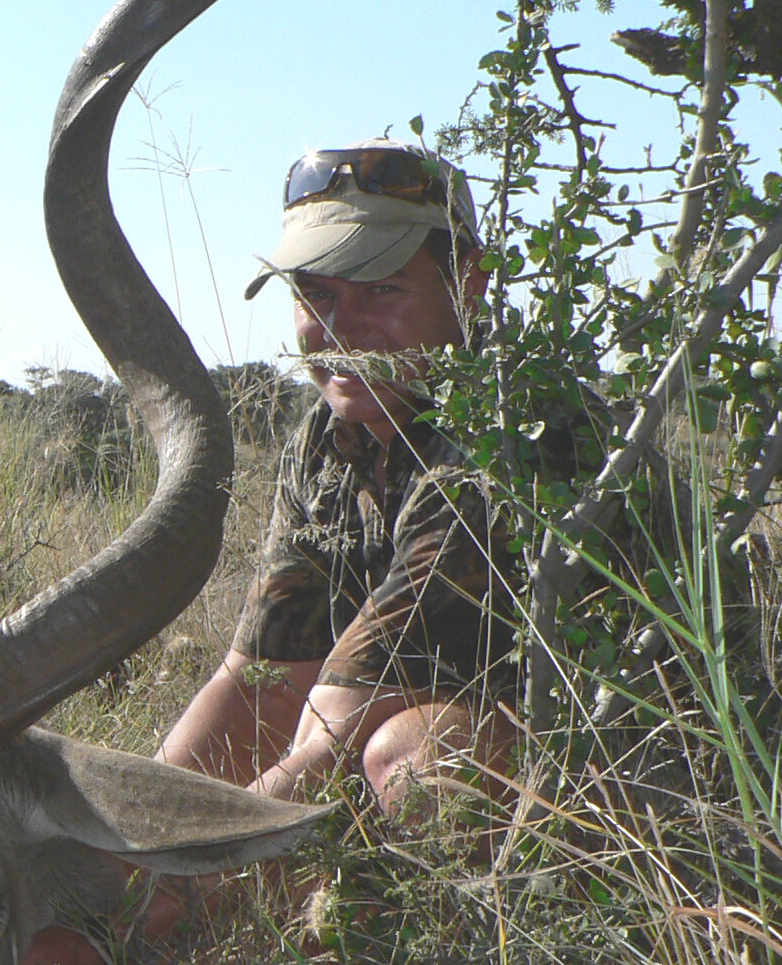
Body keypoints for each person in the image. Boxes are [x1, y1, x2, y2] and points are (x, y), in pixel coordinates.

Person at [158, 140, 520, 815]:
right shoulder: (325, 438)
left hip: (624, 775)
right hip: (381, 711)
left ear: (469, 283)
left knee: (416, 755)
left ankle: (442, 919)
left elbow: (329, 738)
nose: (339, 328)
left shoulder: (508, 434)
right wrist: (136, 823)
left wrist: (158, 884)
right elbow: (261, 681)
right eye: (315, 292)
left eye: (381, 289)